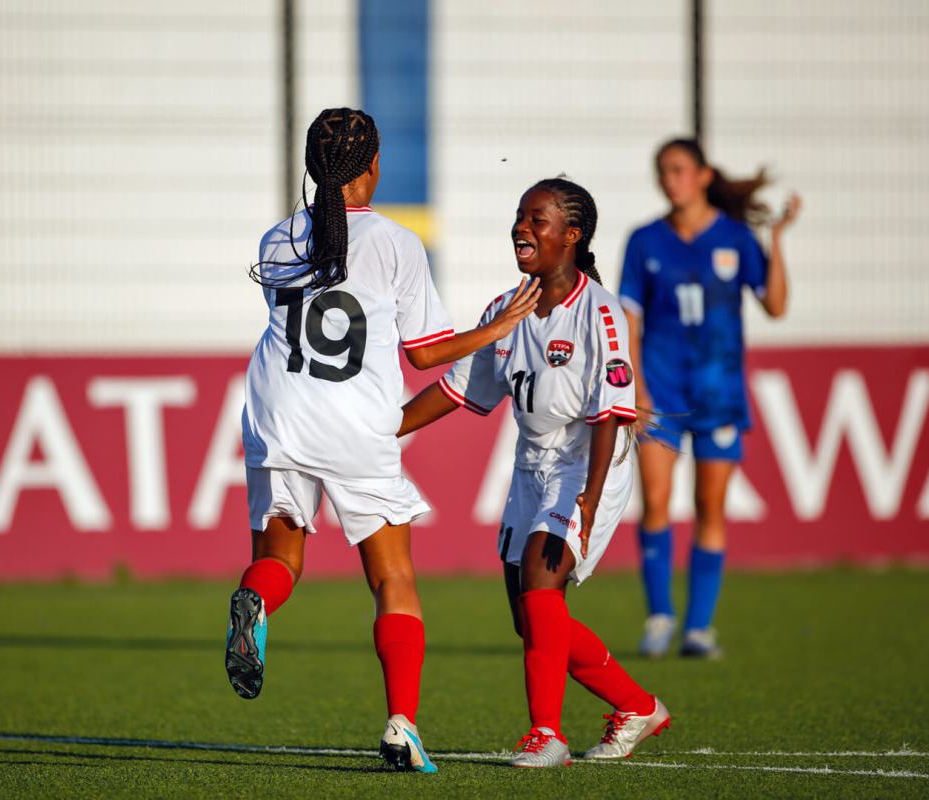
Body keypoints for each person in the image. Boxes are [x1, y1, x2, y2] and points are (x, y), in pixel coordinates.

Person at [225, 107, 541, 773]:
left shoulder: (276, 239)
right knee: (392, 575)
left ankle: (256, 602)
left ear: (313, 168)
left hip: (276, 409)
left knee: (281, 555)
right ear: (374, 168)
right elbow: (426, 357)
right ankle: (401, 725)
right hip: (353, 422)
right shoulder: (396, 243)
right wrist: (494, 329)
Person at [399, 178, 670, 768]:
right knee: (531, 619)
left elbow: (610, 414)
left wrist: (590, 499)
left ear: (572, 236)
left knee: (542, 584)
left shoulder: (600, 311)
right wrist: (383, 431)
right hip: (530, 469)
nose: (522, 228)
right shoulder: (506, 309)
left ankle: (546, 734)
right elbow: (457, 390)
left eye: (537, 219)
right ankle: (638, 706)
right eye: (520, 216)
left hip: (587, 462)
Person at [619, 138, 801, 659]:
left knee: (709, 508)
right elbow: (630, 319)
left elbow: (776, 305)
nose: (669, 180)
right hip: (662, 389)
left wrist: (778, 240)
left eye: (678, 170)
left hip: (718, 391)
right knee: (655, 501)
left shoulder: (736, 238)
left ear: (701, 176)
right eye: (663, 171)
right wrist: (636, 386)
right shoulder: (645, 240)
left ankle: (698, 628)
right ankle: (659, 618)